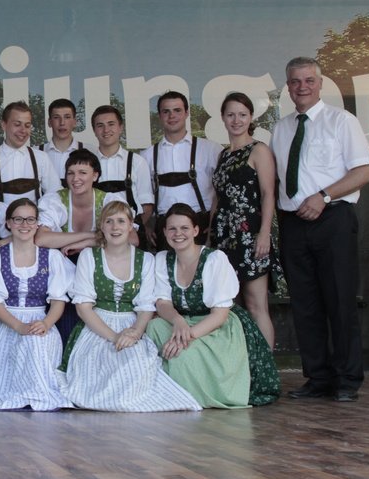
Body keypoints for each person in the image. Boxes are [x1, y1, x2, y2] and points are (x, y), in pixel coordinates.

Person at [271, 56, 369, 402]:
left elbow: (366, 170)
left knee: (340, 300)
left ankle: (347, 380)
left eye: (308, 81)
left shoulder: (341, 121)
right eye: (295, 81)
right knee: (305, 304)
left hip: (332, 218)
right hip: (293, 223)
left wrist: (325, 196)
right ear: (288, 87)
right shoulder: (281, 128)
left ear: (320, 84)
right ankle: (318, 378)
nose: (301, 87)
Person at [56, 202, 200, 412]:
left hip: (132, 324)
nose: (115, 227)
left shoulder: (145, 259)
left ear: (131, 225)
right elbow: (83, 308)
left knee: (133, 364)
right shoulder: (89, 256)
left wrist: (135, 333)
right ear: (102, 227)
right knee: (97, 367)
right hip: (97, 325)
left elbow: (146, 306)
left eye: (121, 221)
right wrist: (114, 337)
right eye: (109, 221)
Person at [146, 204, 280, 408]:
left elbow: (220, 315)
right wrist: (178, 321)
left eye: (184, 228)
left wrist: (186, 337)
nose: (178, 233)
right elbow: (163, 302)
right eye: (172, 228)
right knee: (154, 327)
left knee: (183, 355)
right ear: (164, 232)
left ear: (195, 230)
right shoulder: (163, 259)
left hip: (216, 325)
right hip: (184, 321)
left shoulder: (214, 259)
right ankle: (168, 389)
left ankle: (190, 395)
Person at [0, 198, 72, 411]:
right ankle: (20, 393)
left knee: (36, 342)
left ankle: (39, 393)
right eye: (18, 219)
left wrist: (46, 323)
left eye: (30, 220)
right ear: (8, 223)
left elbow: (58, 300)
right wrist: (18, 326)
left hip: (42, 320)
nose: (24, 225)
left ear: (37, 224)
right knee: (23, 343)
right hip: (7, 321)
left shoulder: (52, 257)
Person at [209, 92, 278, 351]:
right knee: (230, 305)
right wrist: (210, 236)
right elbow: (218, 198)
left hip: (250, 234)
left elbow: (268, 194)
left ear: (251, 117)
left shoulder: (259, 150)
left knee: (256, 304)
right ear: (223, 118)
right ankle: (242, 363)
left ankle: (266, 365)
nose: (236, 120)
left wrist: (264, 233)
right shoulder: (223, 155)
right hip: (224, 236)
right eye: (231, 115)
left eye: (242, 114)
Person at [146, 91, 221, 249]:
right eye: (166, 111)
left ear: (187, 113)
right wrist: (147, 225)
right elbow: (145, 197)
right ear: (159, 116)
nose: (171, 116)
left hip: (202, 227)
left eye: (177, 110)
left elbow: (223, 191)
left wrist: (214, 224)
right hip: (164, 229)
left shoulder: (211, 150)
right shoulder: (147, 155)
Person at [36, 149, 133, 259]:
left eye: (82, 173)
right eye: (70, 173)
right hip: (64, 263)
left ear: (95, 176)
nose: (75, 178)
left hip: (102, 263)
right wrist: (93, 235)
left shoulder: (109, 201)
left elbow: (133, 239)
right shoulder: (56, 200)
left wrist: (89, 242)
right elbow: (41, 239)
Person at [0, 101, 61, 206]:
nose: (23, 130)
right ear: (3, 125)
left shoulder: (42, 158)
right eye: (17, 124)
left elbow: (55, 195)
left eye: (27, 125)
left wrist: (44, 216)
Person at [90, 105, 153, 240]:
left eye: (111, 124)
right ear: (94, 130)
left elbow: (146, 206)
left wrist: (129, 230)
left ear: (121, 127)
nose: (106, 130)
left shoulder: (137, 162)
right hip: (95, 235)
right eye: (100, 125)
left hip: (132, 234)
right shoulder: (87, 164)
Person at [40, 98, 86, 188]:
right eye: (56, 117)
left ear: (75, 122)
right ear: (49, 122)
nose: (62, 123)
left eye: (67, 117)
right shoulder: (36, 153)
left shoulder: (90, 151)